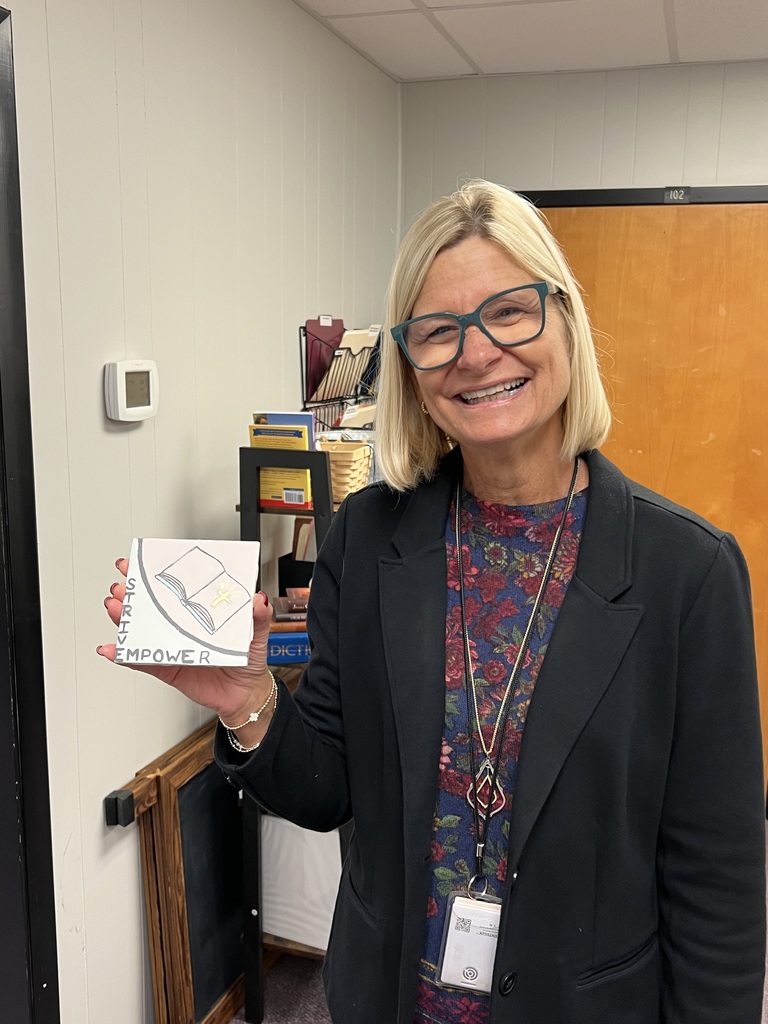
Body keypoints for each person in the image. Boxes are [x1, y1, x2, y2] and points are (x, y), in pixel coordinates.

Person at [100, 180, 766, 1024]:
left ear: (566, 322)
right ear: (411, 367)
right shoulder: (371, 538)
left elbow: (720, 879)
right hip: (391, 998)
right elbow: (331, 788)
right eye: (438, 331)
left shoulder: (688, 574)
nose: (477, 353)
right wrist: (251, 703)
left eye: (510, 311)